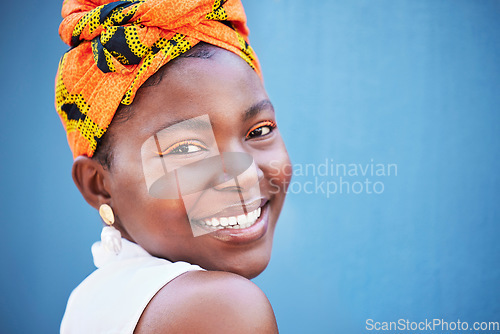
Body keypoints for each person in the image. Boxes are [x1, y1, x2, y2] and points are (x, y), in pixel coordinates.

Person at [56, 0, 291, 333]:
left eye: (259, 131)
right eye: (186, 148)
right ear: (99, 185)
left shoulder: (93, 300)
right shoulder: (224, 309)